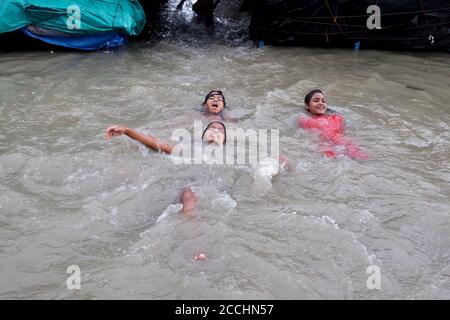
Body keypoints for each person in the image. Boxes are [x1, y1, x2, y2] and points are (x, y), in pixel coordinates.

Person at [298, 90, 368, 160]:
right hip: (325, 146)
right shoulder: (305, 120)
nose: (321, 103)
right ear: (307, 105)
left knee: (363, 158)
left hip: (343, 142)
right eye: (316, 101)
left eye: (323, 101)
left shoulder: (336, 118)